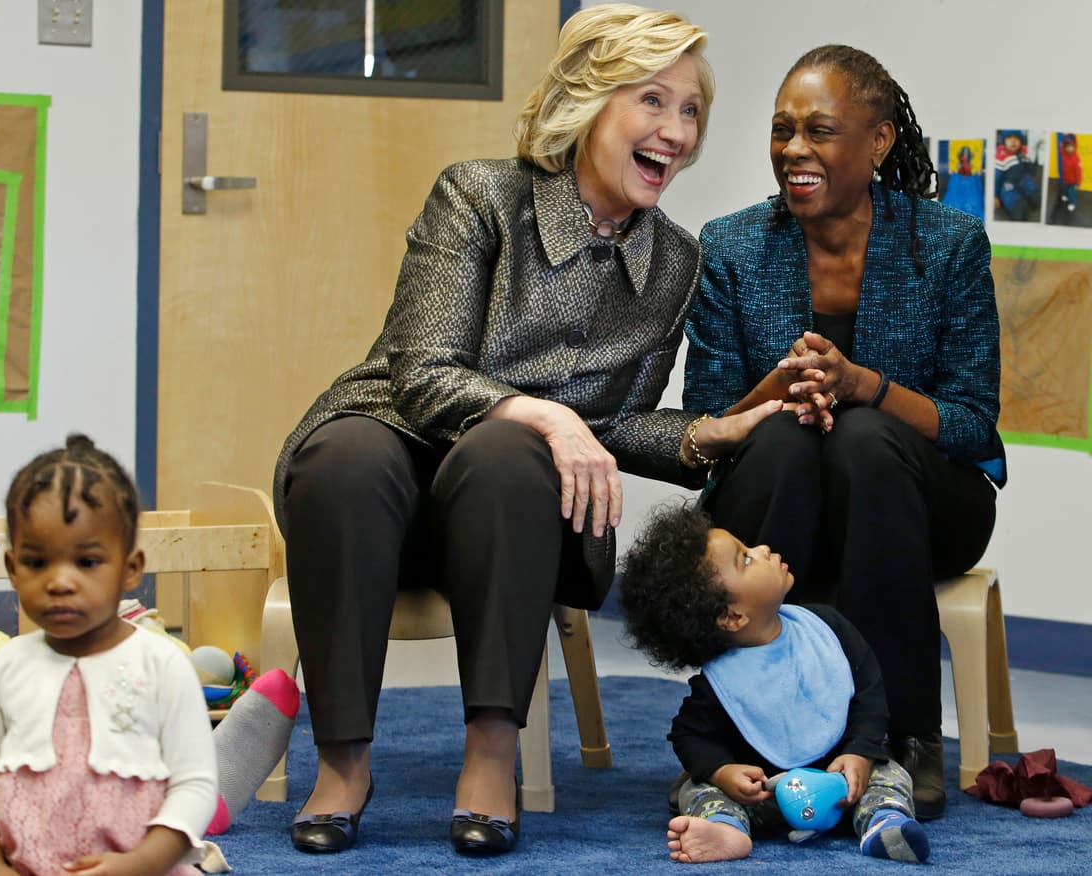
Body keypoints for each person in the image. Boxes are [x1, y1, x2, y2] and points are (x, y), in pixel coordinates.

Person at [273, 3, 781, 856]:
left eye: (690, 108)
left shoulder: (675, 262)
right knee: (348, 457)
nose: (677, 131)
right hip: (389, 464)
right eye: (651, 101)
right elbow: (423, 368)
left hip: (514, 508)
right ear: (587, 101)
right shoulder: (478, 195)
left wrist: (705, 437)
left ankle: (490, 753)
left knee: (512, 457)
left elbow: (614, 423)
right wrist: (544, 412)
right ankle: (342, 762)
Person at [682, 45, 1005, 820]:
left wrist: (867, 388)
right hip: (780, 507)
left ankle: (902, 738)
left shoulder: (949, 245)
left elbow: (970, 422)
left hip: (922, 505)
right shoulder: (732, 246)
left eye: (820, 131)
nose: (794, 150)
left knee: (862, 438)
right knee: (788, 438)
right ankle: (743, 738)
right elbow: (707, 425)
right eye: (782, 130)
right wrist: (775, 391)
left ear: (880, 142)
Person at [0, 435, 217, 876]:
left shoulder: (162, 665)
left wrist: (140, 864)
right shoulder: (5, 670)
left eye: (87, 562)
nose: (60, 582)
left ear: (131, 568)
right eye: (37, 562)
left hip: (135, 866)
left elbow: (194, 784)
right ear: (13, 570)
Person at [619, 504, 930, 865]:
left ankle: (883, 821)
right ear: (732, 616)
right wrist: (724, 771)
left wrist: (859, 752)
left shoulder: (826, 629)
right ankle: (725, 826)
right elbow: (689, 736)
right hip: (765, 798)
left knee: (890, 773)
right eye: (746, 560)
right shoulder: (718, 685)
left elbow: (869, 694)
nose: (762, 549)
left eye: (748, 548)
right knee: (698, 787)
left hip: (844, 785)